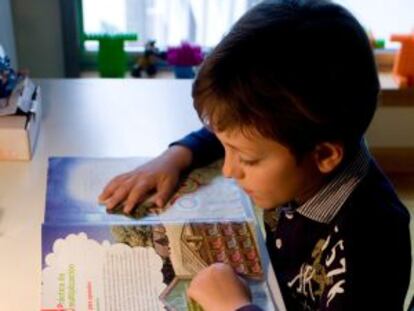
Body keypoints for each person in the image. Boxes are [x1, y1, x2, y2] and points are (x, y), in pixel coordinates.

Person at [98, 0, 412, 310]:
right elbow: (239, 129)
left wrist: (234, 307)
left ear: (326, 155)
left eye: (247, 159)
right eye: (226, 150)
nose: (230, 170)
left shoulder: (372, 246)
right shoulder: (302, 141)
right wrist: (176, 156)